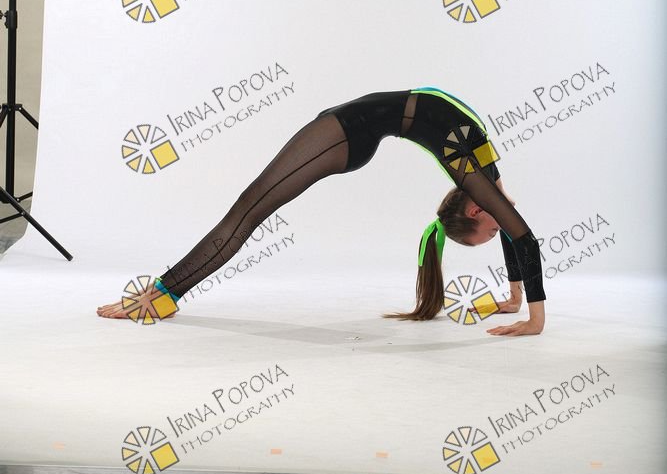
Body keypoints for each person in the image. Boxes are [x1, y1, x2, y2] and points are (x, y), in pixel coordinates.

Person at [97, 87, 545, 336]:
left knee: (251, 208)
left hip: (352, 128)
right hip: (342, 131)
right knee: (250, 208)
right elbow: (523, 236)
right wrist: (533, 319)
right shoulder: (476, 175)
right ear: (475, 210)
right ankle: (165, 293)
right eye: (488, 235)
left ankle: (165, 294)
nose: (498, 229)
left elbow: (511, 228)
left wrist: (515, 297)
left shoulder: (478, 175)